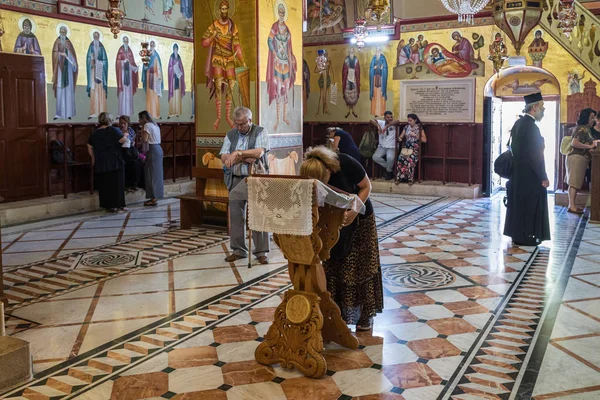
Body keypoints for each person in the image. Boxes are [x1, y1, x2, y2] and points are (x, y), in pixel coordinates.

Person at [300, 146, 383, 331]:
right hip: (331, 219)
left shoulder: (345, 162)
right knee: (334, 263)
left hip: (360, 216)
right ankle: (338, 314)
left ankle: (365, 315)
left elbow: (366, 186)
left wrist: (354, 210)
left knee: (360, 265)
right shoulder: (311, 170)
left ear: (329, 170)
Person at [220, 106, 270, 264]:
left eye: (242, 124)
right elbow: (224, 156)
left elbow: (259, 153)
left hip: (255, 178)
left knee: (258, 214)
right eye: (236, 124)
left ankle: (261, 252)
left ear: (250, 120)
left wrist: (238, 153)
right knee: (236, 216)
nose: (239, 127)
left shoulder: (260, 131)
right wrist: (243, 156)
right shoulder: (230, 134)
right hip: (235, 178)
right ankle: (238, 250)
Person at [504, 92, 551, 246]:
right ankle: (529, 237)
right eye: (542, 107)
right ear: (534, 107)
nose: (543, 110)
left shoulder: (519, 123)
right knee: (529, 205)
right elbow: (536, 156)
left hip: (518, 174)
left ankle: (518, 235)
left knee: (519, 205)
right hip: (530, 176)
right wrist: (543, 177)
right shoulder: (531, 127)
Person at [201, 0, 245, 130]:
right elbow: (204, 42)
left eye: (226, 9)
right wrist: (212, 36)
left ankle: (228, 117)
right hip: (218, 59)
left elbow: (236, 44)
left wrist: (242, 61)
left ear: (228, 10)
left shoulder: (232, 26)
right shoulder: (214, 26)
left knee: (231, 85)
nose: (224, 11)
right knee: (218, 86)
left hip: (230, 58)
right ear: (219, 11)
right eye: (222, 9)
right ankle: (219, 117)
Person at [87, 113, 127, 212]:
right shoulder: (113, 130)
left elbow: (89, 145)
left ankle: (108, 206)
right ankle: (119, 205)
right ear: (110, 120)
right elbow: (122, 140)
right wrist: (126, 134)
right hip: (114, 160)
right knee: (117, 183)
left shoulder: (95, 132)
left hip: (100, 160)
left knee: (105, 184)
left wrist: (93, 158)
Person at [266, 3, 297, 132]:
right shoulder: (275, 26)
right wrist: (274, 54)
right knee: (278, 90)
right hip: (278, 63)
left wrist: (292, 59)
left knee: (286, 92)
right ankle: (277, 120)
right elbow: (269, 40)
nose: (282, 15)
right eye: (280, 12)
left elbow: (289, 46)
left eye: (283, 13)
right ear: (278, 13)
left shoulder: (287, 29)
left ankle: (284, 117)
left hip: (286, 63)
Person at [565, 108, 597, 214]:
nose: (593, 120)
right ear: (586, 117)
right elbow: (574, 143)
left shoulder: (586, 129)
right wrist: (589, 146)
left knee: (576, 182)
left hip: (581, 159)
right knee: (574, 183)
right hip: (576, 158)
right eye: (592, 117)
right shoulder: (581, 128)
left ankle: (573, 205)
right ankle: (571, 206)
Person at [51, 25, 78, 120]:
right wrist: (59, 54)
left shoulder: (69, 43)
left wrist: (68, 56)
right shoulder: (57, 42)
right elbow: (54, 55)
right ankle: (59, 113)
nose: (62, 33)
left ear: (66, 33)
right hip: (59, 71)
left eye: (64, 32)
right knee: (60, 91)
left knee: (68, 91)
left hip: (69, 72)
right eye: (61, 31)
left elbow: (73, 59)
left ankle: (69, 113)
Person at [138, 111, 164, 206]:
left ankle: (153, 198)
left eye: (140, 119)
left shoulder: (147, 125)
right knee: (156, 174)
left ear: (143, 118)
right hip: (158, 149)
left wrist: (141, 131)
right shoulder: (155, 125)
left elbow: (145, 139)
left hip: (152, 149)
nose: (139, 121)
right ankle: (155, 196)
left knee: (151, 174)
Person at [396, 114, 427, 185]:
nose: (409, 122)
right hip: (407, 147)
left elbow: (425, 140)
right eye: (408, 120)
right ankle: (399, 177)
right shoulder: (406, 127)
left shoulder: (419, 128)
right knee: (400, 159)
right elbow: (401, 136)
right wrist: (399, 138)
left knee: (411, 160)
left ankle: (410, 179)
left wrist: (415, 135)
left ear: (415, 120)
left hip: (415, 147)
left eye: (410, 121)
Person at [371, 111, 401, 180]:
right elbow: (372, 120)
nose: (390, 118)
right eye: (388, 117)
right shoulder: (381, 122)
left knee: (390, 158)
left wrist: (387, 126)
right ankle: (390, 170)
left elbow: (397, 121)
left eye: (391, 117)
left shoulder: (394, 123)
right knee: (375, 157)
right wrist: (378, 126)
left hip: (392, 147)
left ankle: (388, 171)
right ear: (384, 118)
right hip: (382, 146)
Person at [86, 31, 109, 119]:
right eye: (94, 37)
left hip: (100, 71)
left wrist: (99, 62)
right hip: (93, 71)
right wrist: (91, 60)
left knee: (100, 91)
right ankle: (93, 112)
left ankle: (102, 112)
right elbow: (88, 59)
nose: (96, 38)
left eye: (97, 37)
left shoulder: (101, 47)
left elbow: (105, 60)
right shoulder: (91, 46)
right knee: (93, 90)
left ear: (99, 37)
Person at [116, 36, 139, 117]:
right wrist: (123, 62)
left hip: (129, 75)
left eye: (127, 41)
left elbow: (132, 62)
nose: (126, 42)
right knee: (123, 93)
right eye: (125, 41)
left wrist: (134, 67)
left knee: (128, 94)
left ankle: (128, 112)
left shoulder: (130, 51)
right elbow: (118, 62)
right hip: (122, 75)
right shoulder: (120, 50)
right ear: (123, 41)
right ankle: (122, 112)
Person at [118, 115, 141, 192]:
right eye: (121, 123)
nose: (122, 125)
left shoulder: (131, 130)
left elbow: (133, 140)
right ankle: (126, 185)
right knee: (125, 165)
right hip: (121, 151)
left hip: (130, 150)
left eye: (124, 123)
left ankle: (134, 184)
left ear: (128, 123)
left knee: (135, 164)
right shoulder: (117, 131)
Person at [142, 41, 164, 120]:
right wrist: (145, 69)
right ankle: (149, 114)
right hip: (148, 77)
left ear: (154, 46)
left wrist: (159, 76)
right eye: (150, 45)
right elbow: (144, 66)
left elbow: (159, 68)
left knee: (155, 96)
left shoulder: (156, 55)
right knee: (149, 96)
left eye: (153, 45)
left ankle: (156, 114)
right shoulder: (147, 56)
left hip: (154, 78)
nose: (151, 47)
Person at [168, 43, 186, 118]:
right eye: (174, 49)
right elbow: (169, 67)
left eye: (176, 49)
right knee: (173, 95)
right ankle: (172, 112)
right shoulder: (171, 57)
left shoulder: (179, 57)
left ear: (178, 49)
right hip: (173, 78)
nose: (175, 50)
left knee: (177, 95)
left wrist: (180, 72)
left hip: (178, 79)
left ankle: (177, 111)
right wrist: (173, 70)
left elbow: (181, 67)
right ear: (173, 49)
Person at [342, 47, 360, 119]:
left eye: (352, 51)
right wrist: (348, 70)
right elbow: (344, 70)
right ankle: (347, 111)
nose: (351, 52)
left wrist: (355, 70)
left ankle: (354, 110)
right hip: (348, 79)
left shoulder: (356, 60)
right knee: (347, 95)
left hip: (354, 79)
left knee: (354, 95)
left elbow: (358, 69)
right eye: (350, 51)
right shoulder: (346, 60)